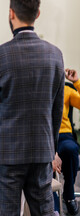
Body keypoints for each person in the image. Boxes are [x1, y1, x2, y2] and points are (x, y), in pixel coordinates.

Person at [0, 0, 64, 215]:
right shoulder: (55, 54)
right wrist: (50, 149)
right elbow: (57, 108)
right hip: (41, 150)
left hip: (6, 152)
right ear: (38, 14)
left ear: (11, 13)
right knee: (43, 211)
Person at [52, 68, 80, 215]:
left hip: (63, 134)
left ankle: (69, 195)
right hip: (44, 135)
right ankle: (52, 198)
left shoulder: (66, 90)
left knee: (70, 149)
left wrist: (76, 82)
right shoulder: (38, 88)